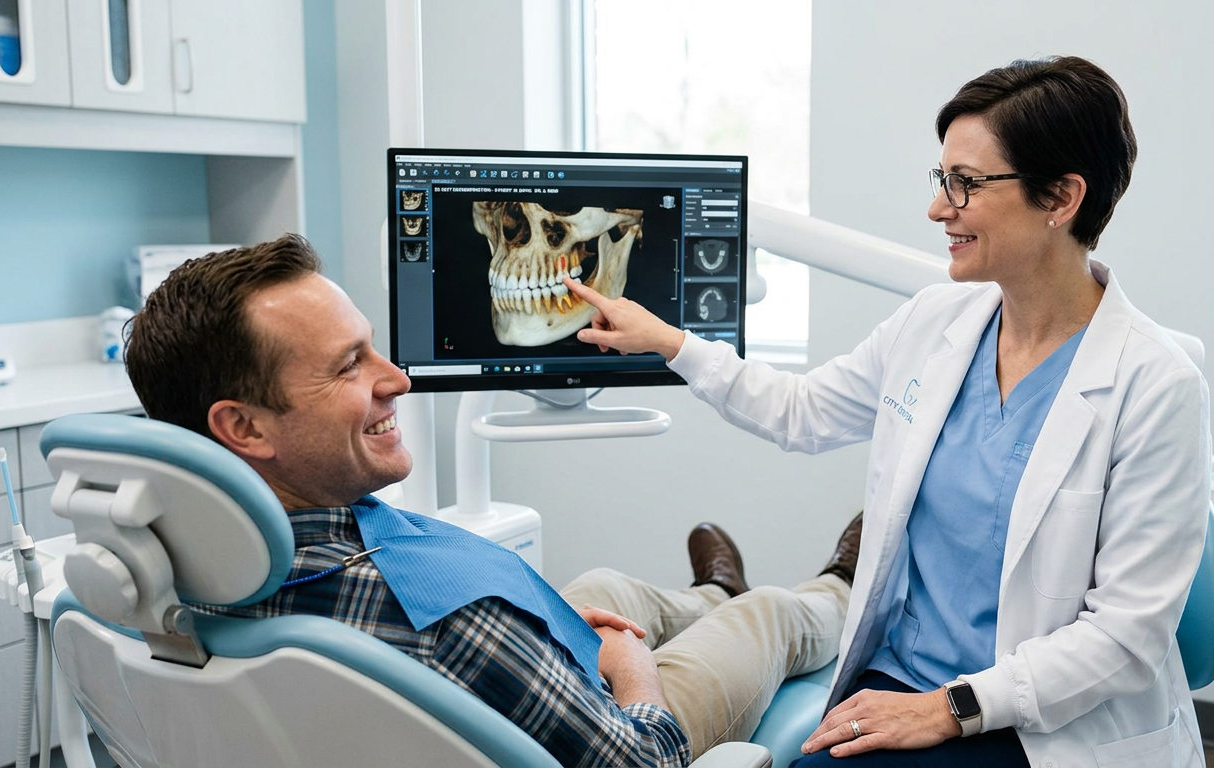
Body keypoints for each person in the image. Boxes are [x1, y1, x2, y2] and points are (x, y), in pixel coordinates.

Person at [562, 55, 1211, 768]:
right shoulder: (937, 322)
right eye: (942, 180)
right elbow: (802, 412)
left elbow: (1124, 639)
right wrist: (673, 344)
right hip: (904, 675)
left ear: (1060, 198)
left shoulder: (1156, 385)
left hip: (1038, 721)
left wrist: (950, 708)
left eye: (965, 184)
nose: (939, 208)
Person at [122, 233, 862, 768]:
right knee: (768, 614)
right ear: (243, 426)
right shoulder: (448, 619)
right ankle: (837, 587)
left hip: (471, 688)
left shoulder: (162, 567)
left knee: (606, 587)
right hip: (614, 733)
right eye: (351, 365)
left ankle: (708, 592)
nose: (398, 378)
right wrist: (632, 670)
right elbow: (645, 761)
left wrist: (552, 627)